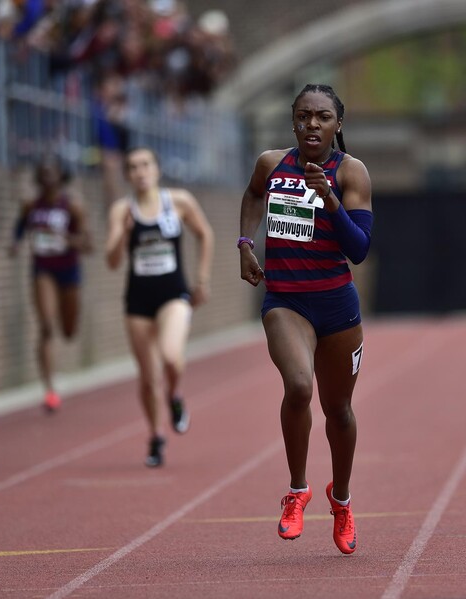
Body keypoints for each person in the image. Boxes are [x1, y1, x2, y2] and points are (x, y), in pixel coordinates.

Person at [238, 84, 373, 554]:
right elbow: (253, 195)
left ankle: (342, 499)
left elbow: (359, 249)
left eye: (322, 117)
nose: (312, 125)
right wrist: (245, 245)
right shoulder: (271, 163)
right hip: (286, 300)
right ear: (293, 121)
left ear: (338, 124)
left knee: (338, 411)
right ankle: (297, 492)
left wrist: (330, 200)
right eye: (303, 116)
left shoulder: (350, 171)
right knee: (298, 387)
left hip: (336, 305)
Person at [105, 147, 214, 467]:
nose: (140, 172)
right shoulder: (121, 211)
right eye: (133, 167)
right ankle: (156, 435)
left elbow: (204, 233)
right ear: (127, 175)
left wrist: (202, 280)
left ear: (156, 169)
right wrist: (122, 235)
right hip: (138, 301)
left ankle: (175, 396)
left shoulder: (178, 201)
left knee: (170, 356)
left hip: (174, 295)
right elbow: (112, 262)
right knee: (148, 377)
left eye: (145, 165)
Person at [8, 156, 92, 412]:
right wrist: (15, 243)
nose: (47, 177)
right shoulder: (30, 206)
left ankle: (51, 383)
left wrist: (66, 239)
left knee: (68, 330)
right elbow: (19, 230)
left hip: (69, 271)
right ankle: (50, 390)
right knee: (46, 326)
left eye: (51, 172)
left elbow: (88, 244)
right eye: (42, 173)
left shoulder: (73, 207)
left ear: (60, 175)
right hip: (43, 270)